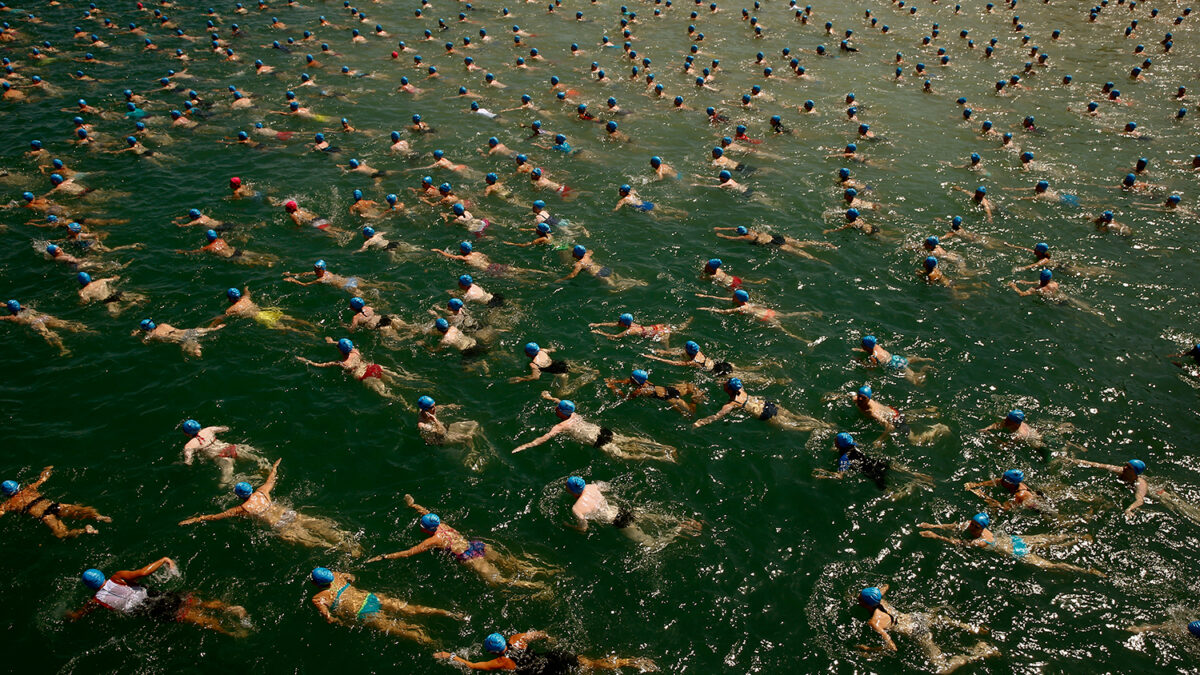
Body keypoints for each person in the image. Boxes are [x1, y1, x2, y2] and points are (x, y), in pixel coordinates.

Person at [366, 494, 553, 592]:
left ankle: (535, 587)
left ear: (425, 529)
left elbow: (408, 552)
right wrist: (413, 505)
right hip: (479, 546)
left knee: (500, 581)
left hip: (469, 557)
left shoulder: (434, 540)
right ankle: (544, 571)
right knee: (512, 563)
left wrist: (384, 556)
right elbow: (426, 512)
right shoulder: (442, 526)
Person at [179, 459, 363, 554]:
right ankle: (349, 541)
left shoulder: (242, 509)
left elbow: (216, 516)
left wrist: (195, 519)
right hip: (289, 514)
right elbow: (271, 478)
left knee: (311, 540)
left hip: (279, 526)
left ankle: (342, 549)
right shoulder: (262, 492)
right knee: (318, 525)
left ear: (238, 496)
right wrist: (274, 466)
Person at [67, 558, 249, 636]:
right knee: (195, 600)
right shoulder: (118, 577)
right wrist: (163, 560)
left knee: (196, 618)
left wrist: (71, 616)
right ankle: (228, 608)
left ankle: (231, 632)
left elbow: (80, 614)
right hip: (154, 596)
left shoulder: (96, 601)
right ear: (101, 575)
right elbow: (143, 572)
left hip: (150, 610)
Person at [855, 585, 997, 673]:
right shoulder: (880, 599)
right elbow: (885, 587)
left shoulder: (875, 622)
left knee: (943, 669)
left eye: (859, 597)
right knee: (941, 620)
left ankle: (979, 653)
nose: (857, 597)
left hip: (917, 631)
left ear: (865, 603)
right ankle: (973, 628)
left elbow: (892, 647)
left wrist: (869, 650)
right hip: (917, 617)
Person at [308, 567, 462, 643]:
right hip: (370, 597)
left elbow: (329, 618)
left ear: (315, 583)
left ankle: (431, 642)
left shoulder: (318, 598)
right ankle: (446, 613)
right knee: (411, 609)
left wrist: (342, 621)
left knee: (399, 627)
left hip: (362, 611)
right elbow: (352, 578)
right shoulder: (336, 575)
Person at [918, 513, 1101, 575]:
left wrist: (935, 536)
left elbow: (958, 542)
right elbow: (955, 526)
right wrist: (933, 525)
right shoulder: (969, 524)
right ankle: (1080, 537)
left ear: (982, 529)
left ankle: (1084, 568)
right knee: (1047, 538)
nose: (972, 527)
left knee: (1049, 563)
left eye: (976, 526)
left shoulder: (982, 541)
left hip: (1015, 550)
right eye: (972, 524)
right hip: (1014, 539)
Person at [514, 394, 678, 462]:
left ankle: (660, 457)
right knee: (630, 440)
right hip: (602, 431)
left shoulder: (561, 426)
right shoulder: (574, 414)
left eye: (557, 409)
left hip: (596, 441)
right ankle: (663, 447)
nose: (556, 409)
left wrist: (525, 446)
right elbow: (561, 402)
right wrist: (550, 397)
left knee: (625, 455)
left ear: (561, 413)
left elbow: (544, 438)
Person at [565, 476, 701, 547]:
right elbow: (606, 487)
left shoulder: (577, 509)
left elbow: (583, 529)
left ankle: (679, 529)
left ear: (571, 490)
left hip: (618, 522)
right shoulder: (591, 487)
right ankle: (680, 520)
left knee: (652, 544)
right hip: (622, 510)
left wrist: (569, 527)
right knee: (654, 517)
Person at [435, 631, 657, 672]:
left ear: (494, 652)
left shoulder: (503, 663)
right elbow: (538, 633)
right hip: (553, 657)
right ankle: (629, 662)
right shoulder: (517, 640)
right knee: (591, 664)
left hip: (549, 670)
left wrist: (450, 656)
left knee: (591, 668)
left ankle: (628, 663)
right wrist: (548, 637)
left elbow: (473, 666)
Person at [0, 466, 110, 537]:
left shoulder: (8, 504)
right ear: (18, 486)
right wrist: (47, 470)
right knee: (80, 511)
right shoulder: (29, 489)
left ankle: (85, 531)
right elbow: (43, 479)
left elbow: (1, 512)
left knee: (62, 533)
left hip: (45, 516)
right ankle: (98, 516)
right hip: (54, 506)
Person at [696, 377, 827, 432]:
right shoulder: (741, 390)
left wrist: (700, 423)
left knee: (793, 427)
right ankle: (823, 424)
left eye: (725, 384)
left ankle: (817, 429)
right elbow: (735, 383)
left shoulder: (731, 404)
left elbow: (717, 416)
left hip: (764, 414)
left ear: (729, 389)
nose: (723, 384)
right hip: (769, 405)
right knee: (796, 417)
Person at [813, 433, 932, 492]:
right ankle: (916, 475)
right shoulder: (854, 446)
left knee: (887, 491)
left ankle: (911, 487)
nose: (834, 441)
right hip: (876, 462)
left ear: (839, 444)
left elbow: (840, 476)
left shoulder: (844, 458)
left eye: (836, 440)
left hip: (872, 473)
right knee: (894, 467)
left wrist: (823, 473)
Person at [296, 338, 406, 399]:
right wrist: (334, 342)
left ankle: (404, 402)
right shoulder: (356, 352)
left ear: (340, 351)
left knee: (387, 394)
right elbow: (349, 346)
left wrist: (307, 361)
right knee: (399, 379)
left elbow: (321, 365)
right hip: (373, 367)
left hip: (365, 376)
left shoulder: (341, 363)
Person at [180, 418, 271, 486]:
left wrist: (182, 464)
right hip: (231, 448)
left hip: (221, 457)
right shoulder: (209, 429)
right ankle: (268, 470)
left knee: (224, 484)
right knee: (258, 459)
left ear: (186, 433)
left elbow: (188, 462)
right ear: (199, 427)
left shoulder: (189, 445)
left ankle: (252, 480)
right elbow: (225, 428)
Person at [696, 289, 815, 340]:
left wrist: (707, 309)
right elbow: (722, 298)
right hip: (768, 311)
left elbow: (725, 312)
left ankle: (802, 339)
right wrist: (706, 296)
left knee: (783, 330)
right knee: (789, 315)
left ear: (737, 299)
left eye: (733, 296)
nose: (731, 297)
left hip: (764, 317)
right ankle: (811, 313)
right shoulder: (747, 303)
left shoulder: (741, 308)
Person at [848, 385, 949, 444]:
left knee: (914, 440)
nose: (860, 399)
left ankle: (937, 429)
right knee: (906, 416)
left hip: (895, 419)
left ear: (869, 398)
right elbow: (850, 394)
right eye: (860, 396)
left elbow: (890, 427)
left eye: (863, 398)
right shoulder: (856, 399)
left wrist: (880, 440)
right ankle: (929, 411)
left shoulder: (872, 412)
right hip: (892, 411)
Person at [416, 396, 488, 468]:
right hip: (439, 439)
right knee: (467, 438)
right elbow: (442, 432)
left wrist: (450, 406)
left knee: (474, 423)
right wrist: (435, 420)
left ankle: (463, 445)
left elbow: (438, 408)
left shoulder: (426, 410)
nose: (435, 408)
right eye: (432, 407)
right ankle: (471, 456)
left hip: (442, 428)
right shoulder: (422, 425)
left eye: (434, 405)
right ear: (425, 410)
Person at [1061, 457, 1149, 516]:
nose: (1125, 468)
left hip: (1149, 492)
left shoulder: (1140, 484)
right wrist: (1073, 461)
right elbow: (1096, 464)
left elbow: (1140, 500)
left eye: (1129, 467)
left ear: (1135, 473)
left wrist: (1129, 509)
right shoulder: (1120, 470)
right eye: (1126, 465)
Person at [1, 299, 89, 355]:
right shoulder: (24, 308)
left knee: (48, 334)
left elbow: (2, 318)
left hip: (35, 323)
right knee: (64, 324)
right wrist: (4, 304)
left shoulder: (12, 317)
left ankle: (63, 349)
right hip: (43, 317)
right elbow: (14, 306)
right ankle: (85, 330)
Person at [215, 287, 315, 334]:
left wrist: (212, 325)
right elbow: (247, 293)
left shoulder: (231, 309)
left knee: (286, 328)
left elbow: (221, 318)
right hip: (266, 311)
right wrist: (246, 288)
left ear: (230, 298)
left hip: (261, 317)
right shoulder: (245, 299)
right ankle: (311, 325)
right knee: (292, 319)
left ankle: (307, 334)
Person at [604, 368, 705, 416]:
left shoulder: (639, 391)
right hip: (670, 389)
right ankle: (696, 392)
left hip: (670, 398)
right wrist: (614, 381)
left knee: (690, 414)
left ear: (635, 381)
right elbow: (628, 380)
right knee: (688, 386)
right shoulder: (645, 382)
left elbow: (625, 397)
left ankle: (694, 401)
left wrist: (614, 388)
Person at [509, 342, 598, 395]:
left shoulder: (533, 364)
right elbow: (552, 350)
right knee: (577, 369)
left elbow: (536, 377)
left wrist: (521, 379)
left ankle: (584, 381)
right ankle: (593, 371)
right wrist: (551, 346)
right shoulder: (542, 351)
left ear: (527, 354)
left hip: (561, 375)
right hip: (563, 364)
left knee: (561, 393)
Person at [714, 225, 835, 260]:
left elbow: (732, 238)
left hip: (774, 244)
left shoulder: (745, 237)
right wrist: (721, 228)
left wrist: (722, 234)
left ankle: (818, 260)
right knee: (802, 243)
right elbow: (735, 228)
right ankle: (824, 244)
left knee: (800, 253)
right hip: (777, 237)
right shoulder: (751, 231)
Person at [557, 245, 644, 290]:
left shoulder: (579, 264)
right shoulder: (586, 255)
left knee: (614, 286)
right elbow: (591, 251)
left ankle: (633, 285)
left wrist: (560, 280)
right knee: (619, 278)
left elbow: (573, 275)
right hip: (604, 268)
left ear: (575, 254)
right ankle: (636, 281)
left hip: (598, 274)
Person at [859, 335, 932, 385]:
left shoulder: (873, 357)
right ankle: (923, 359)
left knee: (915, 381)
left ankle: (924, 369)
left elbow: (872, 368)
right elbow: (869, 350)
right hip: (897, 358)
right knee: (909, 359)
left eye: (862, 344)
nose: (861, 344)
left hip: (896, 366)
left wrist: (860, 362)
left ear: (867, 347)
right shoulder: (876, 346)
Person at [178, 229, 276, 266]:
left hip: (231, 257)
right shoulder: (221, 240)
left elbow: (195, 252)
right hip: (236, 250)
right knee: (253, 254)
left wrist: (183, 252)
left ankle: (267, 263)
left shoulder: (208, 247)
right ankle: (271, 256)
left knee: (250, 261)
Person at [133, 318, 223, 358]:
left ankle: (197, 348)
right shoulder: (163, 324)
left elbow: (145, 342)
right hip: (186, 331)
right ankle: (214, 328)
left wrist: (138, 335)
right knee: (207, 330)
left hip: (181, 340)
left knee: (195, 353)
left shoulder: (152, 335)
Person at [589, 312, 689, 347]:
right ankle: (687, 322)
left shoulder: (630, 330)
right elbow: (615, 324)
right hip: (658, 327)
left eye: (620, 320)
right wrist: (598, 324)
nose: (618, 321)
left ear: (623, 323)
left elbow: (616, 336)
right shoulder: (631, 324)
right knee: (678, 329)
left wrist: (600, 333)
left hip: (659, 334)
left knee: (667, 348)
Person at [76, 271, 145, 316]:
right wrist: (116, 277)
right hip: (115, 293)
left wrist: (80, 304)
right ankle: (141, 298)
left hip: (108, 301)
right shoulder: (101, 280)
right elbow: (115, 278)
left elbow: (85, 301)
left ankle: (133, 304)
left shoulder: (83, 291)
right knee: (134, 296)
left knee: (115, 315)